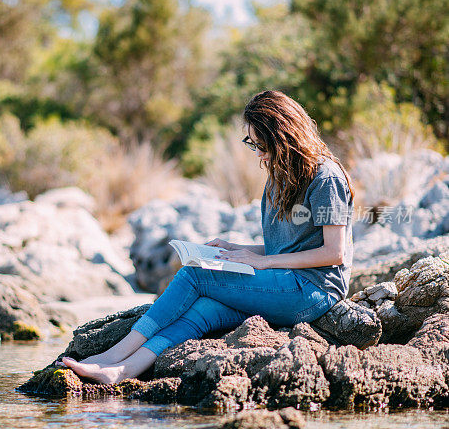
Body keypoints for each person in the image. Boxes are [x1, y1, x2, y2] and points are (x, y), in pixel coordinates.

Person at [59, 90, 355, 384]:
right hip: (286, 282)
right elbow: (290, 247)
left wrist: (261, 263)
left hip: (315, 291)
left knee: (195, 275)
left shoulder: (325, 178)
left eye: (265, 145)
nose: (260, 154)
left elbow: (333, 253)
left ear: (286, 137)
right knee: (202, 311)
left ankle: (114, 354)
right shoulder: (279, 174)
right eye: (253, 144)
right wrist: (235, 248)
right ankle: (122, 371)